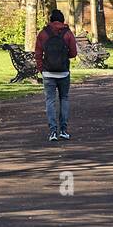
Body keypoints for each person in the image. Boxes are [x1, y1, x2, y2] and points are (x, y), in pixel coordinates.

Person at [35, 8, 78, 142]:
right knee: (64, 99)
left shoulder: (43, 33)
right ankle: (64, 131)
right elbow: (73, 53)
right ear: (62, 20)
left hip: (48, 73)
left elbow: (37, 54)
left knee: (50, 101)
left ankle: (53, 132)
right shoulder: (68, 33)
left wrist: (42, 69)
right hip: (64, 72)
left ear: (51, 20)